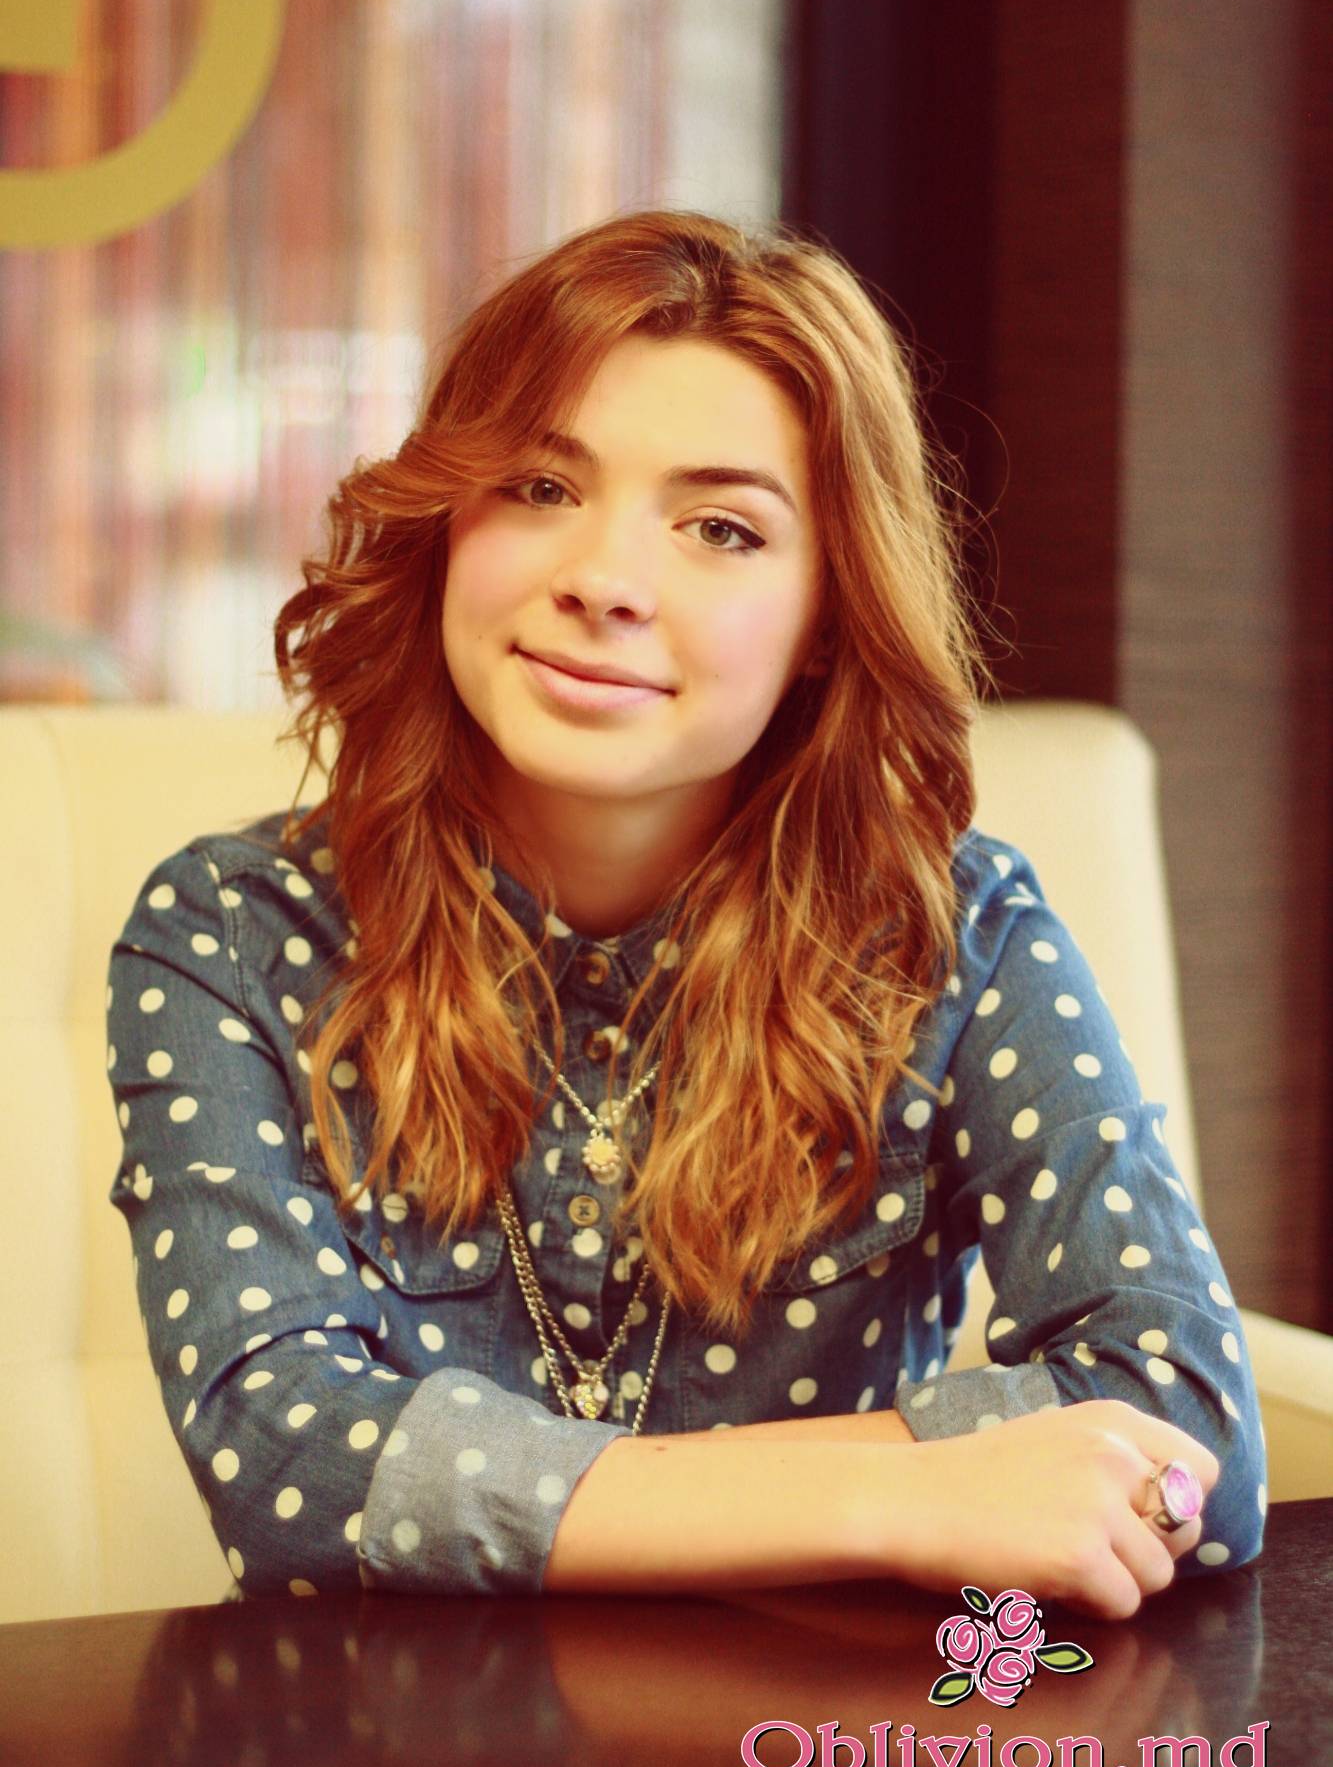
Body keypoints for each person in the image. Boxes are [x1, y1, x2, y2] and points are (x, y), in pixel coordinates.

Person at [106, 208, 1264, 1621]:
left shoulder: (953, 934)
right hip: (379, 1732)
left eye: (721, 527)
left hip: (826, 1723)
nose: (603, 581)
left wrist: (501, 1486)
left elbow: (1188, 1432)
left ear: (828, 614)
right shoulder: (232, 932)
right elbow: (286, 1460)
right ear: (445, 522)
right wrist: (908, 1496)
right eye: (540, 485)